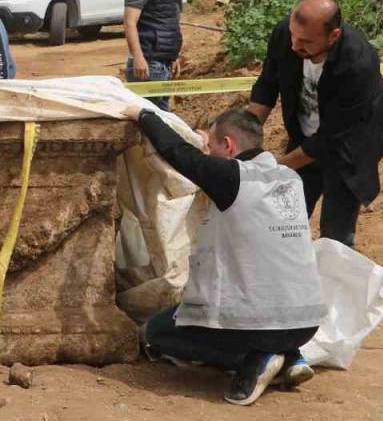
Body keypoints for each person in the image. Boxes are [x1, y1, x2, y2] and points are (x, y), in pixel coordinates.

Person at [122, 106, 325, 406]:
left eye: (211, 146)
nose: (208, 152)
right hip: (306, 322)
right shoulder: (290, 178)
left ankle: (257, 359)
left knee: (157, 332)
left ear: (228, 146)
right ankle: (291, 356)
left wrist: (143, 115)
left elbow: (177, 153)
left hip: (263, 324)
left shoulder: (233, 177)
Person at [246, 0, 383, 247]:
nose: (295, 46)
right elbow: (267, 85)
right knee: (283, 220)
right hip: (304, 138)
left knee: (335, 234)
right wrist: (245, 134)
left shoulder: (358, 63)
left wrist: (276, 167)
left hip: (348, 148)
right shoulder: (286, 35)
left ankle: (334, 276)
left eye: (305, 41)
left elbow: (330, 139)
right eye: (293, 36)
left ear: (334, 36)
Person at [124, 0, 184, 111]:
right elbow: (129, 22)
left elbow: (167, 23)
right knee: (153, 124)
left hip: (163, 64)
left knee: (160, 123)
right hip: (148, 66)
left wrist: (173, 57)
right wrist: (138, 58)